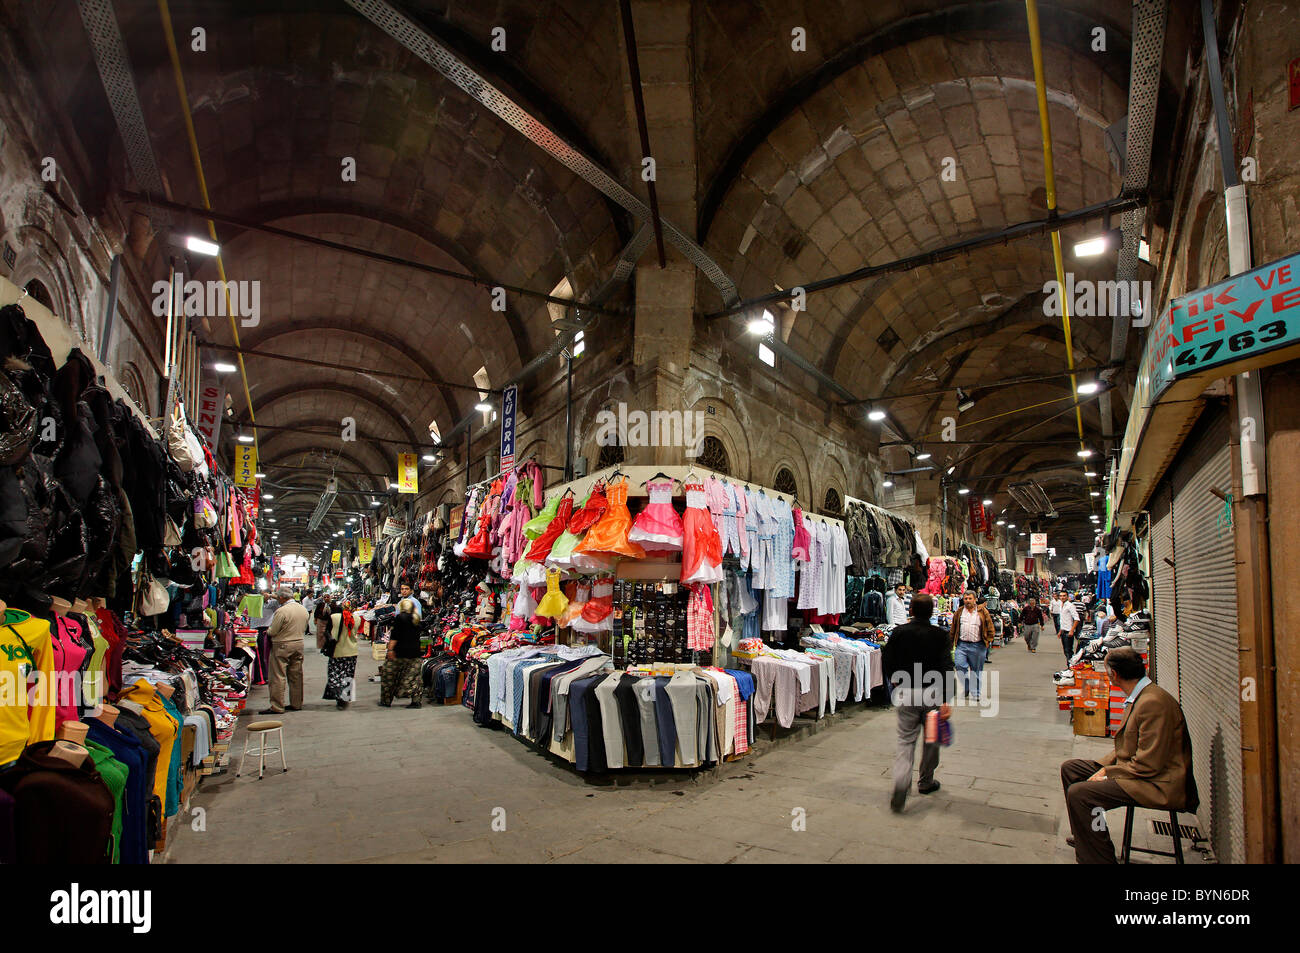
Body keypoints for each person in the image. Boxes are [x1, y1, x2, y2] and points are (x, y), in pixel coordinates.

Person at [1060, 648, 1197, 863]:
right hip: (1139, 770)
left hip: (1157, 783)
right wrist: (1100, 766)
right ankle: (1089, 836)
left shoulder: (1153, 703)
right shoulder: (1140, 697)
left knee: (1081, 793)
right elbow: (1129, 748)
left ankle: (1098, 858)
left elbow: (1149, 764)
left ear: (1114, 674)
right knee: (1072, 769)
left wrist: (1107, 772)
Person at [880, 594, 953, 813]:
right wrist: (947, 699)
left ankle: (902, 783)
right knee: (932, 740)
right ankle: (926, 781)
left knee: (905, 741)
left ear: (910, 610)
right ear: (931, 612)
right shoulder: (939, 635)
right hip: (932, 695)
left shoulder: (900, 632)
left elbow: (887, 658)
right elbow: (947, 666)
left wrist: (894, 679)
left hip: (906, 693)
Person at [259, 590, 308, 715]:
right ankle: (296, 703)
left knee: (277, 676)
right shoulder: (302, 609)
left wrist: (267, 631)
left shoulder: (282, 611)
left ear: (281, 598)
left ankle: (277, 706)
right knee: (296, 675)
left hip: (282, 645)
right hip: (299, 644)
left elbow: (273, 631)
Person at [949, 591, 994, 701]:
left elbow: (990, 627)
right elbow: (953, 629)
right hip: (962, 645)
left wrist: (987, 641)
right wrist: (950, 643)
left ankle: (976, 693)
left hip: (978, 646)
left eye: (970, 598)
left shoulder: (983, 612)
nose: (967, 601)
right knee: (959, 666)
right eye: (966, 599)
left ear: (975, 600)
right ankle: (967, 686)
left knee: (976, 671)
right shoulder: (959, 612)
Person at [380, 599, 424, 708]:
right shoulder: (417, 619)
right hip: (415, 652)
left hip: (399, 652)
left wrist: (390, 650)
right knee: (415, 678)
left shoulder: (400, 618)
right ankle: (416, 701)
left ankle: (386, 700)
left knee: (389, 676)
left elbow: (395, 635)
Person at [321, 601, 359, 709]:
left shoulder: (334, 617)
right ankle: (345, 698)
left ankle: (339, 698)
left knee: (335, 675)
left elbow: (326, 631)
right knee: (348, 676)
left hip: (337, 651)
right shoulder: (357, 618)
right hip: (352, 651)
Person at [1058, 592, 1082, 663]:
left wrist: (1072, 630)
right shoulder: (1061, 605)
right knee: (1066, 651)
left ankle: (1071, 667)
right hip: (1063, 631)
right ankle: (1070, 666)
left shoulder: (1070, 605)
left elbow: (1077, 619)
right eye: (1061, 596)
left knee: (1068, 651)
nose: (1062, 597)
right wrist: (1060, 631)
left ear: (1067, 596)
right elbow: (1063, 620)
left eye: (1064, 596)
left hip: (1068, 632)